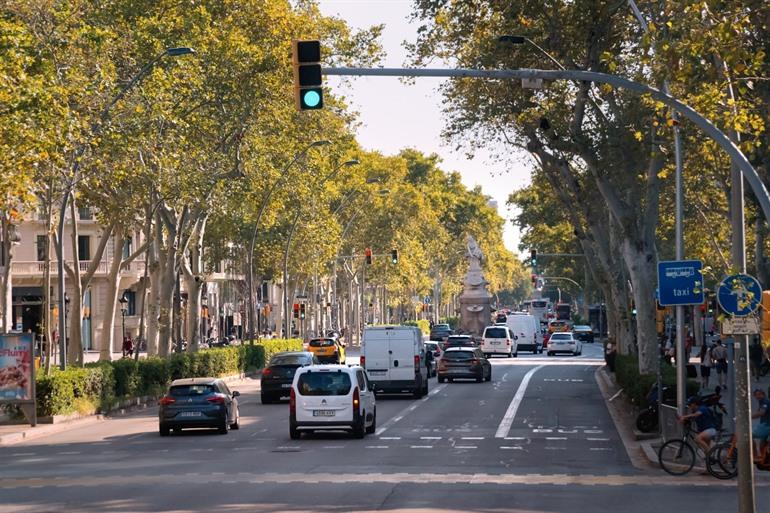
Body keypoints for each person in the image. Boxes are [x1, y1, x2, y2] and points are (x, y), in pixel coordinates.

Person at [752, 388, 770, 460]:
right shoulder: (762, 401)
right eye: (756, 395)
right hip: (765, 425)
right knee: (762, 444)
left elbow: (761, 413)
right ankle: (764, 459)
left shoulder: (765, 401)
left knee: (749, 436)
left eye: (759, 394)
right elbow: (757, 413)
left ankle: (755, 456)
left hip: (767, 425)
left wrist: (747, 417)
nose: (758, 396)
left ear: (763, 394)